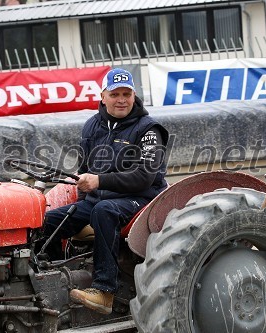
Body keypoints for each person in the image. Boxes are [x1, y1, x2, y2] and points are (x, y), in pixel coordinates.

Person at [41, 68, 169, 315]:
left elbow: (145, 177)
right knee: (50, 220)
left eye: (126, 94)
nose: (121, 99)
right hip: (99, 198)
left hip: (141, 200)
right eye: (115, 94)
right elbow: (84, 171)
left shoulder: (149, 130)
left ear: (134, 95)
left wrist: (99, 182)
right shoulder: (92, 126)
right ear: (103, 96)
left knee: (104, 210)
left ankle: (104, 292)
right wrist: (81, 203)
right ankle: (49, 278)